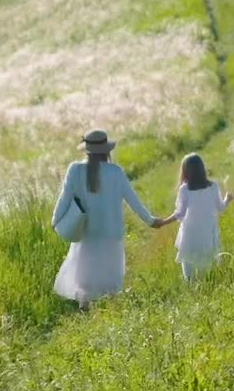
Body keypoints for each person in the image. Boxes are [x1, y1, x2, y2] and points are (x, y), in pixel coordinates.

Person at [52, 129, 164, 309]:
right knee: (110, 275)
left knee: (85, 274)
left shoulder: (75, 170)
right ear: (107, 150)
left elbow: (64, 199)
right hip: (111, 232)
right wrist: (150, 221)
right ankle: (110, 309)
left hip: (86, 231)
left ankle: (85, 309)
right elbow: (133, 201)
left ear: (86, 150)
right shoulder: (115, 172)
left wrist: (55, 221)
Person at [158, 153, 233, 281]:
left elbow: (179, 213)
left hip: (190, 233)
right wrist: (227, 199)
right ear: (202, 169)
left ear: (186, 172)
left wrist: (164, 222)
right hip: (207, 232)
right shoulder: (213, 186)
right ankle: (204, 285)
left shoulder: (185, 190)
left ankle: (190, 285)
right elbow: (220, 208)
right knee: (206, 263)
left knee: (188, 260)